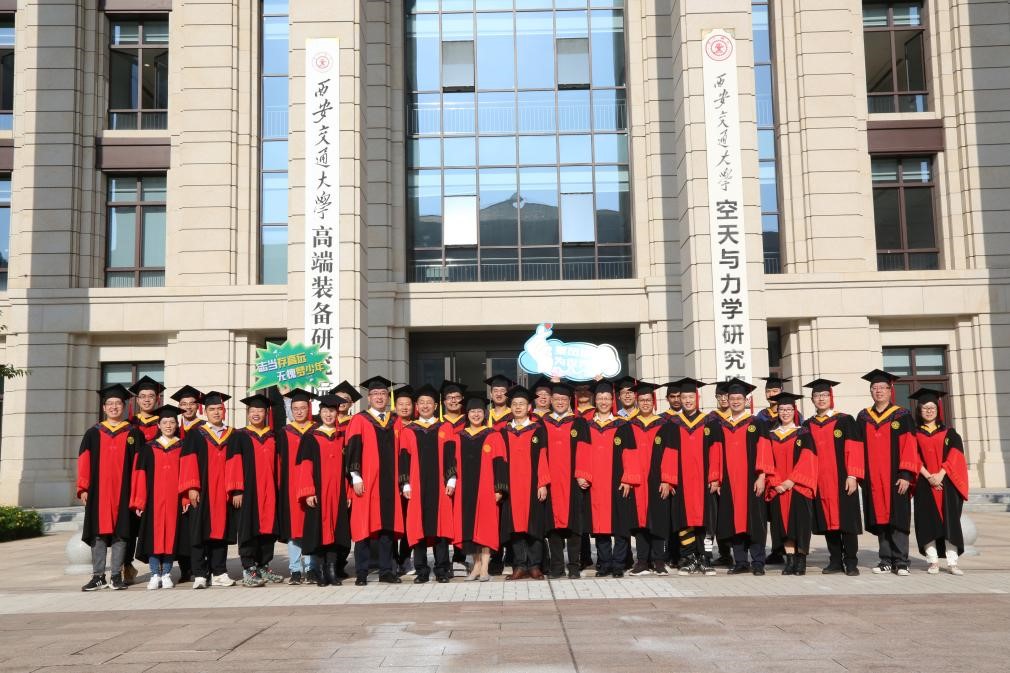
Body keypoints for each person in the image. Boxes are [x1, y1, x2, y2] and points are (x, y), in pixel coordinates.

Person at [78, 384, 146, 591]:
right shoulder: (93, 433)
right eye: (110, 403)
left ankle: (116, 575)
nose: (114, 407)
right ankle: (98, 576)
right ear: (104, 408)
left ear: (124, 407)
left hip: (124, 492)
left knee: (121, 532)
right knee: (98, 533)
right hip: (98, 492)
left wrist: (138, 494)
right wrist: (83, 487)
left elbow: (139, 467)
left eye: (118, 403)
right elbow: (84, 461)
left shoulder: (134, 433)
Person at [707, 378, 774, 575]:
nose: (735, 401)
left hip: (751, 481)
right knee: (733, 521)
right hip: (729, 482)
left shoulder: (757, 423)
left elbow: (764, 449)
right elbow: (716, 452)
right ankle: (741, 561)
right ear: (727, 400)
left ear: (746, 401)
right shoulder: (721, 425)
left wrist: (762, 476)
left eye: (739, 398)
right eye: (732, 398)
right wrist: (716, 478)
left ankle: (758, 562)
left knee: (755, 521)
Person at [856, 369, 918, 576]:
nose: (879, 391)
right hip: (873, 478)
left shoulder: (902, 415)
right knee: (880, 519)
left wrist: (906, 474)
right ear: (870, 391)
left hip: (895, 477)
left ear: (890, 390)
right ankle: (885, 560)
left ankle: (901, 561)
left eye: (883, 387)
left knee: (897, 519)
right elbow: (857, 447)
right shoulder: (863, 417)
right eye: (875, 388)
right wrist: (858, 474)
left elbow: (909, 445)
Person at [346, 375, 405, 585]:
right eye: (375, 394)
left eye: (383, 394)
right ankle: (361, 572)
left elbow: (403, 452)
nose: (379, 397)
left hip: (390, 484)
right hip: (367, 482)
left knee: (386, 528)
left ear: (388, 397)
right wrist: (355, 477)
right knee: (363, 526)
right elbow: (352, 449)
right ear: (368, 397)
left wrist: (403, 481)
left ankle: (386, 571)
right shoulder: (359, 420)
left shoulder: (396, 421)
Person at [801, 378, 863, 576]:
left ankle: (851, 562)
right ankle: (835, 560)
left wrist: (852, 475)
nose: (821, 399)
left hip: (842, 479)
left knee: (847, 522)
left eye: (824, 395)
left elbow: (854, 448)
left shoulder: (845, 420)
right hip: (819, 481)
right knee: (828, 522)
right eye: (817, 395)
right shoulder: (807, 425)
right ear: (812, 399)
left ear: (831, 397)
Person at [179, 391, 237, 589]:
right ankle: (200, 574)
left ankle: (219, 572)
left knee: (221, 532)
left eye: (219, 409)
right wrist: (191, 487)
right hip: (202, 491)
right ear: (205, 411)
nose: (216, 412)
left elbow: (237, 463)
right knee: (198, 532)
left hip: (223, 491)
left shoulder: (232, 435)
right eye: (212, 409)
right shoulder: (196, 434)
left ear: (224, 411)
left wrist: (235, 488)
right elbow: (188, 461)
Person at [399, 384, 456, 584]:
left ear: (436, 406)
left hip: (440, 485)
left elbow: (451, 454)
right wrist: (405, 483)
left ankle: (441, 569)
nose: (425, 406)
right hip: (417, 485)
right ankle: (421, 570)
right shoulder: (409, 430)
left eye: (429, 402)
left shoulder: (445, 427)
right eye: (421, 402)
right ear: (417, 406)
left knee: (441, 527)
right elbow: (403, 458)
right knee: (418, 527)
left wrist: (452, 478)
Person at [617, 382, 676, 576]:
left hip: (658, 480)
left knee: (658, 519)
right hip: (638, 481)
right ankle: (642, 561)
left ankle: (659, 561)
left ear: (654, 402)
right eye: (641, 400)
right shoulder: (629, 426)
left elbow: (670, 453)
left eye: (648, 400)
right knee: (639, 521)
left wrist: (667, 479)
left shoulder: (665, 426)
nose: (645, 403)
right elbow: (625, 453)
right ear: (637, 401)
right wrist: (628, 478)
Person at [909, 388, 969, 576]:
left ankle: (952, 563)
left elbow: (955, 456)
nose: (929, 411)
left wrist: (940, 475)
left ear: (938, 410)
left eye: (932, 408)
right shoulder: (914, 434)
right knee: (927, 523)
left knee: (950, 523)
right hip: (924, 483)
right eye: (925, 408)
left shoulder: (950, 433)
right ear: (919, 411)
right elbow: (912, 457)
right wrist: (929, 476)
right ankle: (933, 561)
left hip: (947, 484)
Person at [662, 378, 718, 576]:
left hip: (704, 481)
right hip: (682, 481)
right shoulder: (673, 424)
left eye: (690, 397)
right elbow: (669, 452)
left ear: (697, 398)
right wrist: (669, 479)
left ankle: (706, 558)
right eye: (684, 397)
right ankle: (689, 558)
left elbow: (716, 451)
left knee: (706, 521)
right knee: (683, 520)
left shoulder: (710, 422)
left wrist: (715, 476)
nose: (687, 400)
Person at [297, 394, 353, 587]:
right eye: (325, 411)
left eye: (332, 411)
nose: (329, 415)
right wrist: (308, 491)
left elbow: (347, 470)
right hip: (318, 493)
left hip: (337, 493)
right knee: (319, 531)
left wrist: (348, 492)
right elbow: (305, 466)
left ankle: (332, 570)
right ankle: (320, 571)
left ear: (337, 413)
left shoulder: (341, 437)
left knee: (336, 532)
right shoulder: (311, 437)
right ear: (319, 413)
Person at [227, 394, 283, 588]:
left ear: (266, 413)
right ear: (248, 413)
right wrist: (237, 489)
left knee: (268, 529)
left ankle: (264, 565)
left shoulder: (273, 436)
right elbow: (234, 463)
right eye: (253, 411)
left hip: (270, 491)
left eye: (260, 410)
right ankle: (249, 569)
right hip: (248, 492)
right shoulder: (239, 436)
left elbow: (279, 464)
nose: (256, 414)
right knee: (248, 529)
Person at [130, 404, 187, 590]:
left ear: (177, 425)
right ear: (159, 425)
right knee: (153, 538)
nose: (168, 425)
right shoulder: (148, 449)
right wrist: (139, 501)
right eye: (165, 422)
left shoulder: (182, 447)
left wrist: (185, 498)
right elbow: (139, 476)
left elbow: (187, 476)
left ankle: (167, 573)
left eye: (172, 422)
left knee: (171, 537)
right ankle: (155, 574)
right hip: (152, 501)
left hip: (174, 501)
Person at [454, 394, 508, 581]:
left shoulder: (493, 435)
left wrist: (499, 489)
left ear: (485, 414)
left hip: (486, 488)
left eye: (479, 411)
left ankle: (485, 567)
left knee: (485, 526)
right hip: (465, 489)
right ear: (467, 414)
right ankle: (476, 565)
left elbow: (500, 463)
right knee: (469, 526)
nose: (476, 415)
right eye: (472, 411)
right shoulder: (459, 436)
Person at [541, 381, 592, 578]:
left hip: (572, 481)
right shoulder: (543, 423)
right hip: (551, 482)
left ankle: (574, 566)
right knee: (552, 527)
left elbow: (585, 449)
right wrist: (542, 480)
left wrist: (582, 474)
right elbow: (540, 453)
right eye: (557, 399)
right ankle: (557, 566)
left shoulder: (579, 422)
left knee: (574, 525)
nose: (560, 402)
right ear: (551, 401)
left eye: (564, 399)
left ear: (570, 400)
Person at [499, 385, 550, 580]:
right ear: (510, 407)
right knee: (515, 527)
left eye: (522, 404)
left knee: (534, 526)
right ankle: (519, 565)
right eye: (514, 404)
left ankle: (535, 565)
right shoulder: (504, 431)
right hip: (512, 486)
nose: (518, 407)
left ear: (529, 407)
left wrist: (542, 483)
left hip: (532, 485)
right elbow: (500, 461)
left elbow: (543, 457)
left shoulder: (538, 429)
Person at [584, 380, 634, 577]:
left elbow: (630, 453)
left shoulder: (623, 425)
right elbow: (581, 452)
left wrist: (628, 478)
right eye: (600, 398)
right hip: (596, 482)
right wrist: (582, 475)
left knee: (621, 524)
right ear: (595, 401)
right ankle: (604, 563)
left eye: (607, 398)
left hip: (618, 481)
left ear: (613, 401)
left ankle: (619, 564)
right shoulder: (588, 425)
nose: (603, 402)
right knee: (599, 525)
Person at [764, 392, 817, 576]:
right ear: (777, 412)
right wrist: (775, 482)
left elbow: (807, 459)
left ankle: (801, 562)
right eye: (782, 409)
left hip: (798, 487)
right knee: (783, 526)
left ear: (794, 411)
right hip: (777, 488)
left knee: (799, 525)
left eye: (788, 409)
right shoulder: (771, 435)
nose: (785, 412)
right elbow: (766, 461)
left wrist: (790, 481)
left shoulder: (804, 433)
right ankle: (790, 561)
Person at [277, 388, 319, 585]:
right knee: (294, 529)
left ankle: (312, 568)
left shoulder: (317, 430)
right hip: (291, 486)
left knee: (310, 527)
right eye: (296, 408)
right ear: (291, 410)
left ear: (309, 409)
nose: (299, 411)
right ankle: (295, 570)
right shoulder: (284, 432)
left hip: (312, 485)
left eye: (303, 408)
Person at [392, 384, 417, 576]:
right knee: (393, 519)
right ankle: (392, 559)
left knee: (409, 520)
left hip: (412, 480)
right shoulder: (388, 426)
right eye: (401, 404)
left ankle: (406, 557)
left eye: (408, 404)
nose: (404, 407)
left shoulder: (418, 427)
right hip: (392, 480)